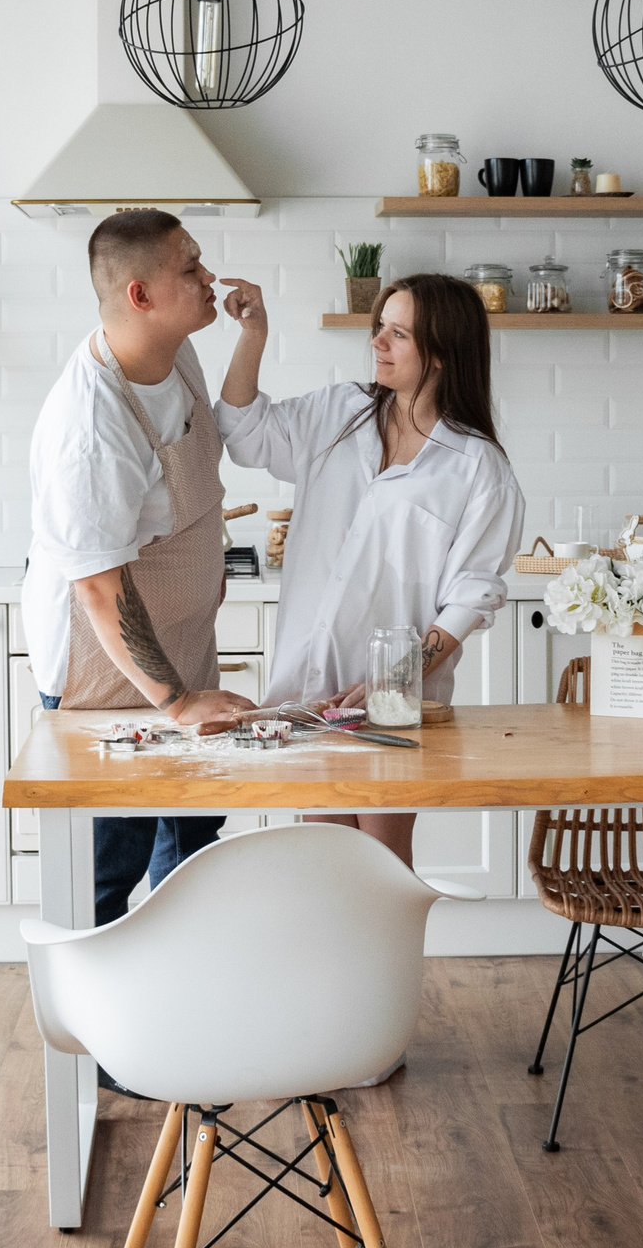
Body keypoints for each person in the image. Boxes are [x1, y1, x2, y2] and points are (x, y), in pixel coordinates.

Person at [212, 271, 525, 868]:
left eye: (398, 333)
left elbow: (471, 596)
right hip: (309, 689)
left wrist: (396, 678)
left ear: (440, 353)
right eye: (379, 327)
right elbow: (244, 432)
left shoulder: (478, 468)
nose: (378, 342)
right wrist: (254, 334)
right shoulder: (339, 411)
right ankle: (330, 967)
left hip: (393, 706)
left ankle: (389, 967)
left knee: (381, 864)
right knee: (322, 862)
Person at [26, 209, 254, 931]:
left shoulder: (174, 354)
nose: (209, 275)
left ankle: (175, 1016)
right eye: (190, 267)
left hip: (182, 641)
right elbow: (97, 586)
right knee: (108, 866)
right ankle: (93, 1042)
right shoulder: (89, 426)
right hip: (109, 669)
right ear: (140, 295)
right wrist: (178, 703)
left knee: (190, 841)